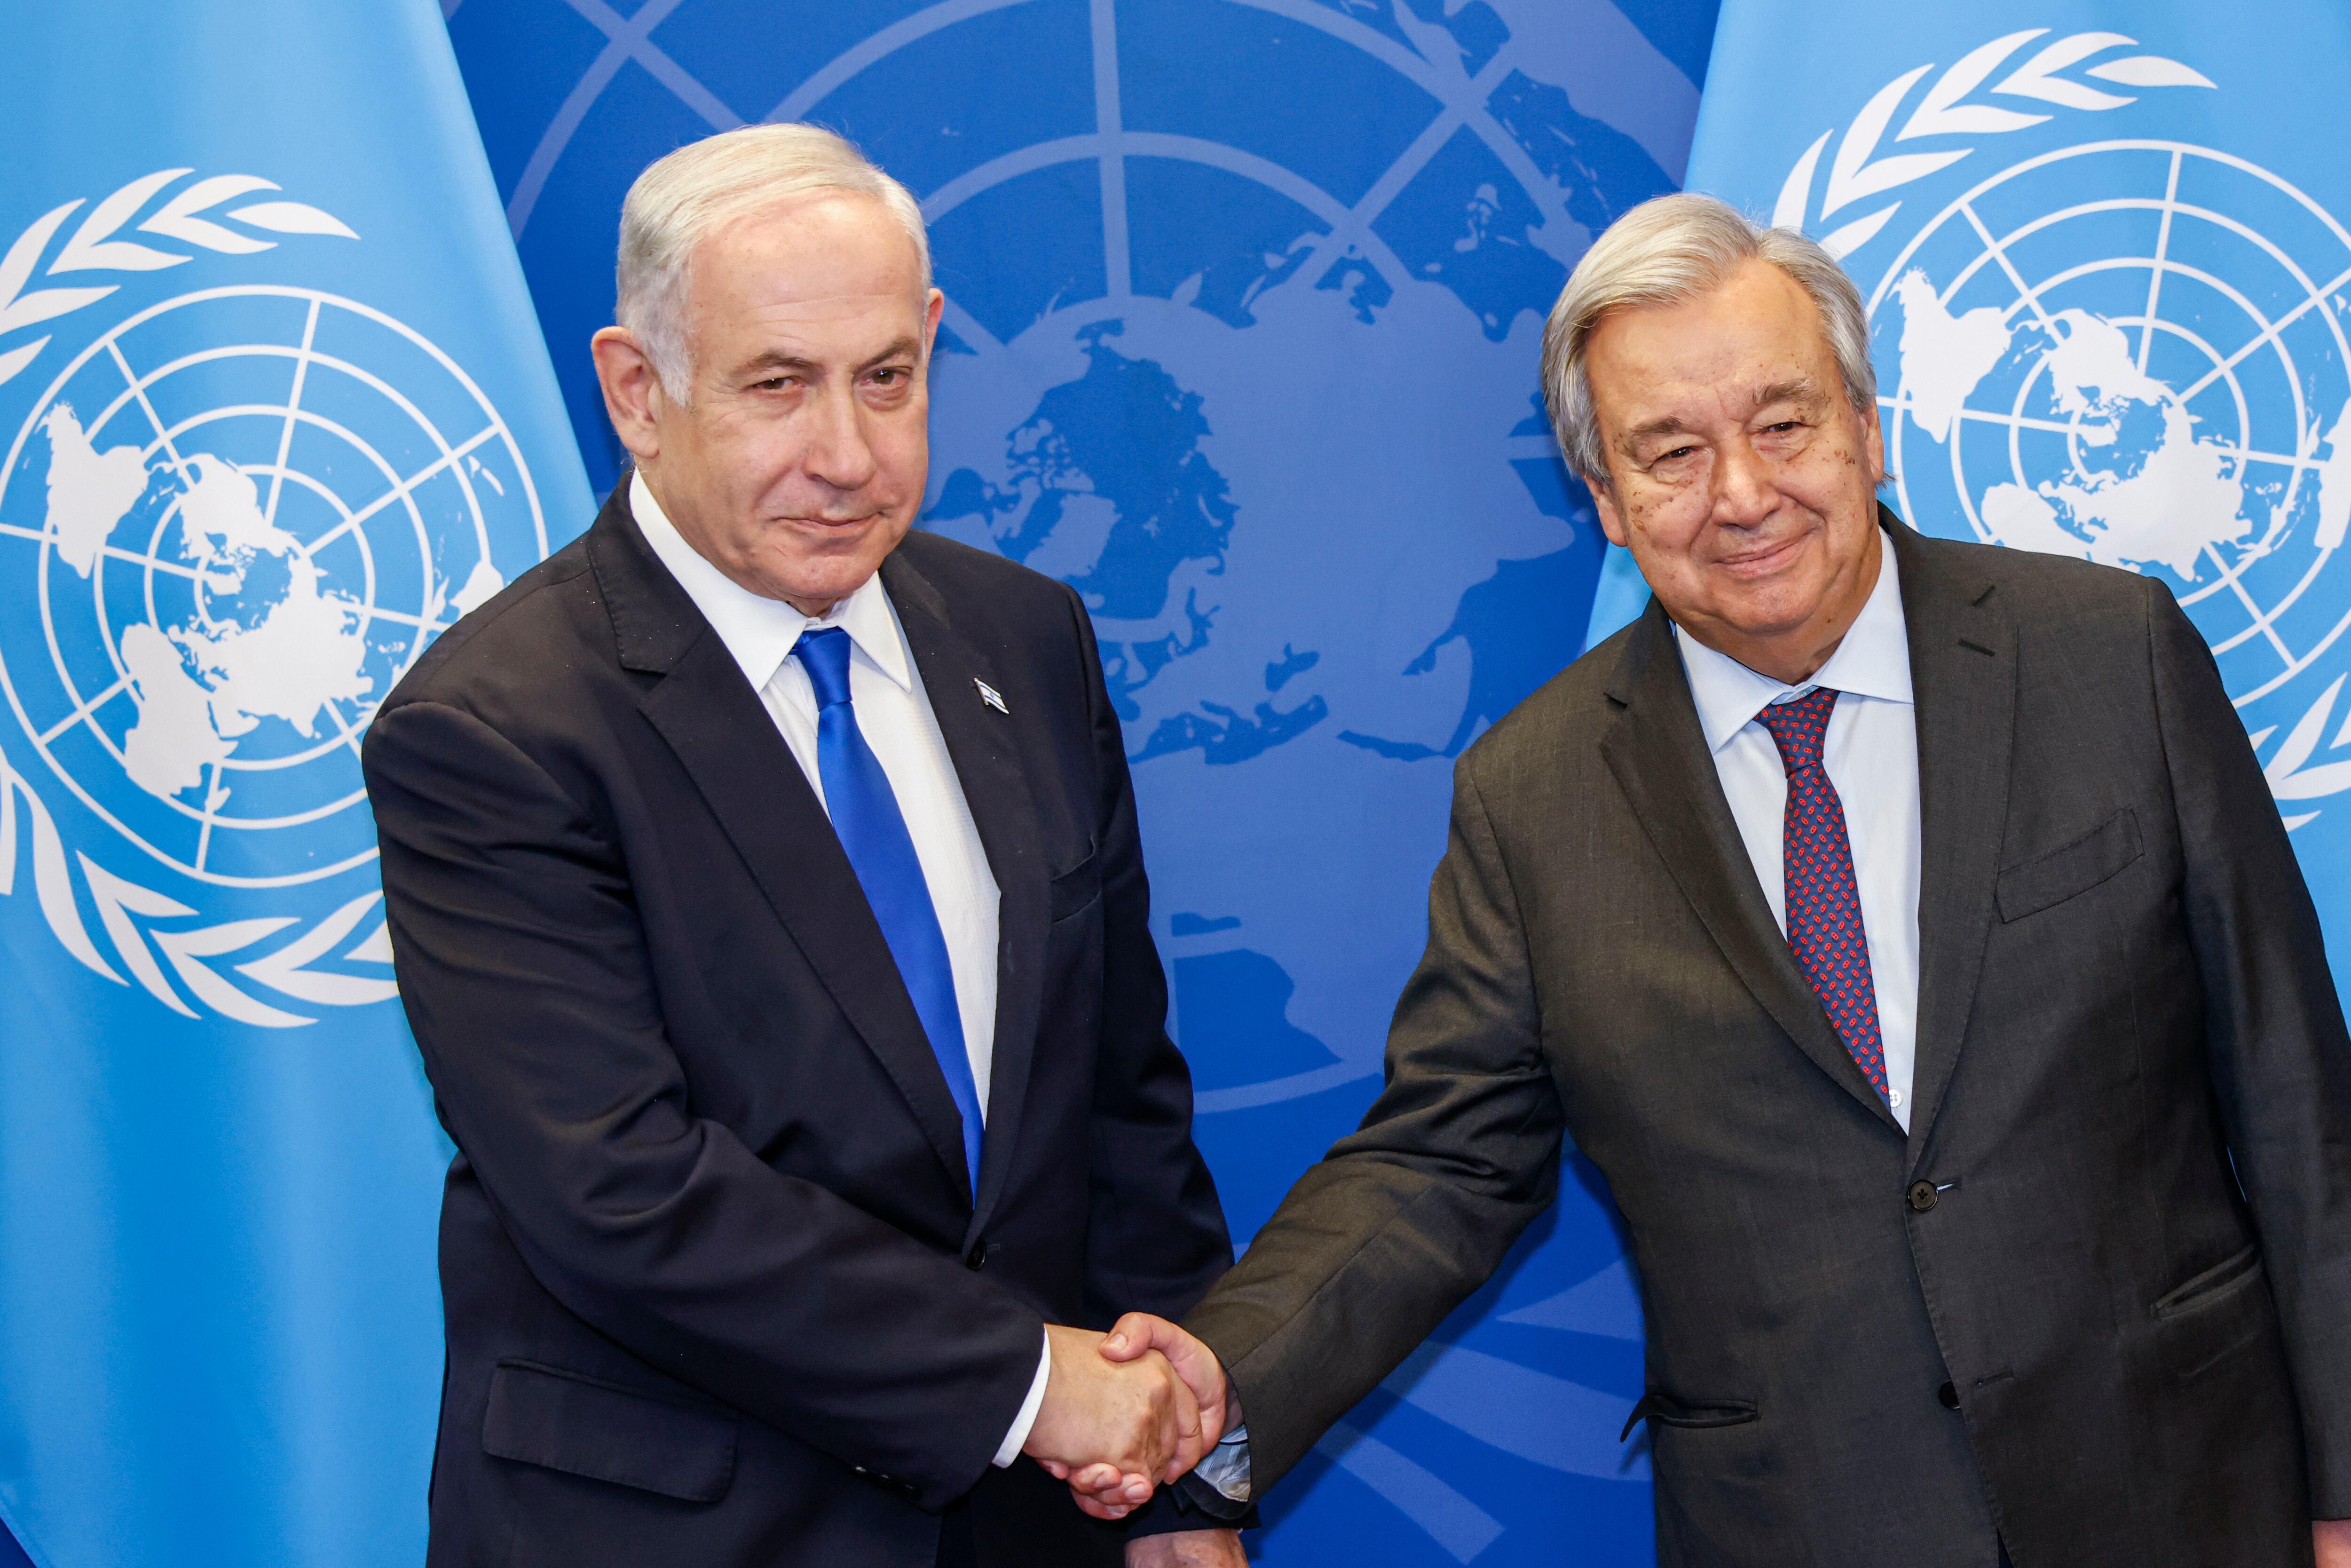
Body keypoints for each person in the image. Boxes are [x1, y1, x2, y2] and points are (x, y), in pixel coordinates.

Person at [1083, 193, 2351, 1566]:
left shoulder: (2113, 658)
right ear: (1609, 506)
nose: (1741, 494)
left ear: (1867, 430)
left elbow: (2298, 1106)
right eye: (1669, 452)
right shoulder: (1534, 796)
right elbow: (1440, 1164)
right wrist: (1222, 1392)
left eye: (1782, 422)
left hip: (2185, 1497)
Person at [362, 125, 1247, 1568]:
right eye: (779, 386)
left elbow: (1119, 1105)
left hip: (1041, 1530)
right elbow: (619, 1192)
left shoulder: (1028, 640)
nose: (847, 457)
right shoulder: (491, 732)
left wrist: (1188, 1488)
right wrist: (1030, 1386)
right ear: (637, 391)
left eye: (887, 379)